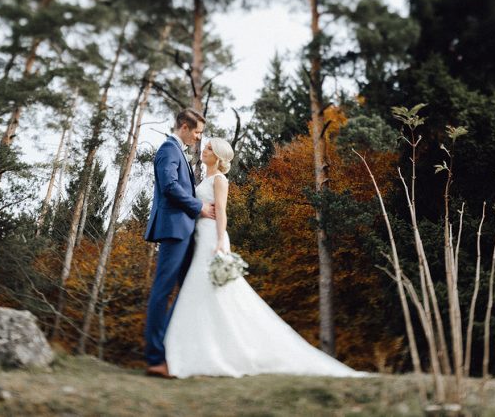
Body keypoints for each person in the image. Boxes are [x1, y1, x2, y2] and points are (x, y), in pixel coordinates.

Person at [163, 136, 366, 378]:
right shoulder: (203, 178)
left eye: (208, 148)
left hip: (211, 240)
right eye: (205, 147)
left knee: (217, 292)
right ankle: (199, 349)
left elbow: (223, 213)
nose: (204, 150)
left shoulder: (219, 180)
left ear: (218, 156)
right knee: (202, 292)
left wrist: (220, 242)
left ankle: (224, 352)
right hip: (198, 238)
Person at [142, 108, 215, 378]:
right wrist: (199, 207)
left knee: (188, 290)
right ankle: (155, 359)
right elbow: (171, 187)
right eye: (196, 132)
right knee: (162, 291)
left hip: (184, 230)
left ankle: (176, 350)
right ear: (184, 127)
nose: (198, 138)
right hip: (173, 229)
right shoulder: (168, 149)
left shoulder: (178, 151)